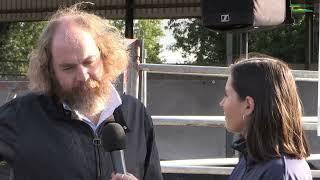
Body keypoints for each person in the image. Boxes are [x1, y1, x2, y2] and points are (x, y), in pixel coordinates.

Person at [0, 4, 162, 180]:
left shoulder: (136, 113)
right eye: (68, 67)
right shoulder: (20, 116)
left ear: (105, 55)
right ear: (50, 70)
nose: (83, 76)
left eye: (89, 62)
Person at [219, 57, 312, 179]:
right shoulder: (252, 158)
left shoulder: (278, 172)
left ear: (248, 105)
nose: (221, 103)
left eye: (226, 95)